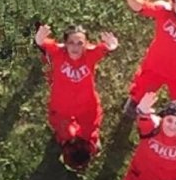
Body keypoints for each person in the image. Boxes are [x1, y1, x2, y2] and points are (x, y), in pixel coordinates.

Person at [34, 23, 119, 170]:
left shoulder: (90, 55)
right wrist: (39, 39)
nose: (75, 47)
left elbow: (104, 48)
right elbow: (43, 43)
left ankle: (89, 142)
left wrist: (112, 45)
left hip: (87, 104)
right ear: (65, 44)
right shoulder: (58, 53)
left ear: (86, 44)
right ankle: (67, 145)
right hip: (62, 105)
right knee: (64, 131)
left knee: (89, 129)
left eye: (80, 43)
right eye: (71, 43)